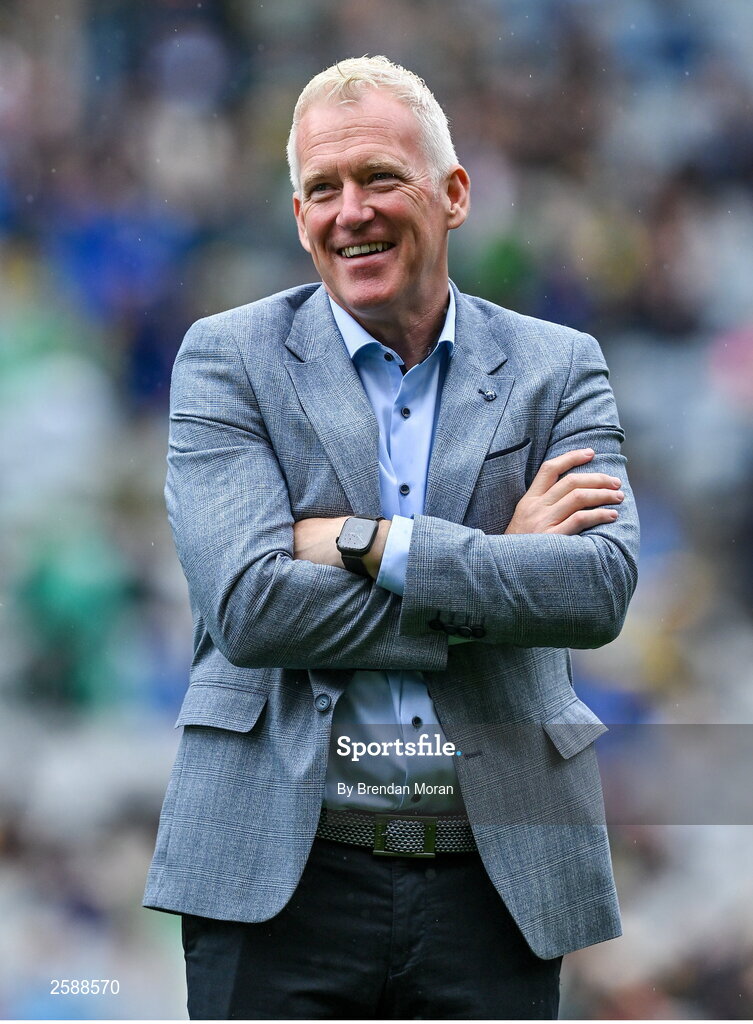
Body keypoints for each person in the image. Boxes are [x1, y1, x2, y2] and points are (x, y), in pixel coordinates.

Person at [143, 55, 639, 1019]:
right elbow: (249, 608)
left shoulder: (557, 366)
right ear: (297, 220)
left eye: (378, 178)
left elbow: (595, 592)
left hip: (493, 881)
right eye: (321, 190)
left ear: (452, 194)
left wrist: (371, 542)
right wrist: (493, 564)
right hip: (278, 880)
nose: (349, 211)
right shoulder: (225, 359)